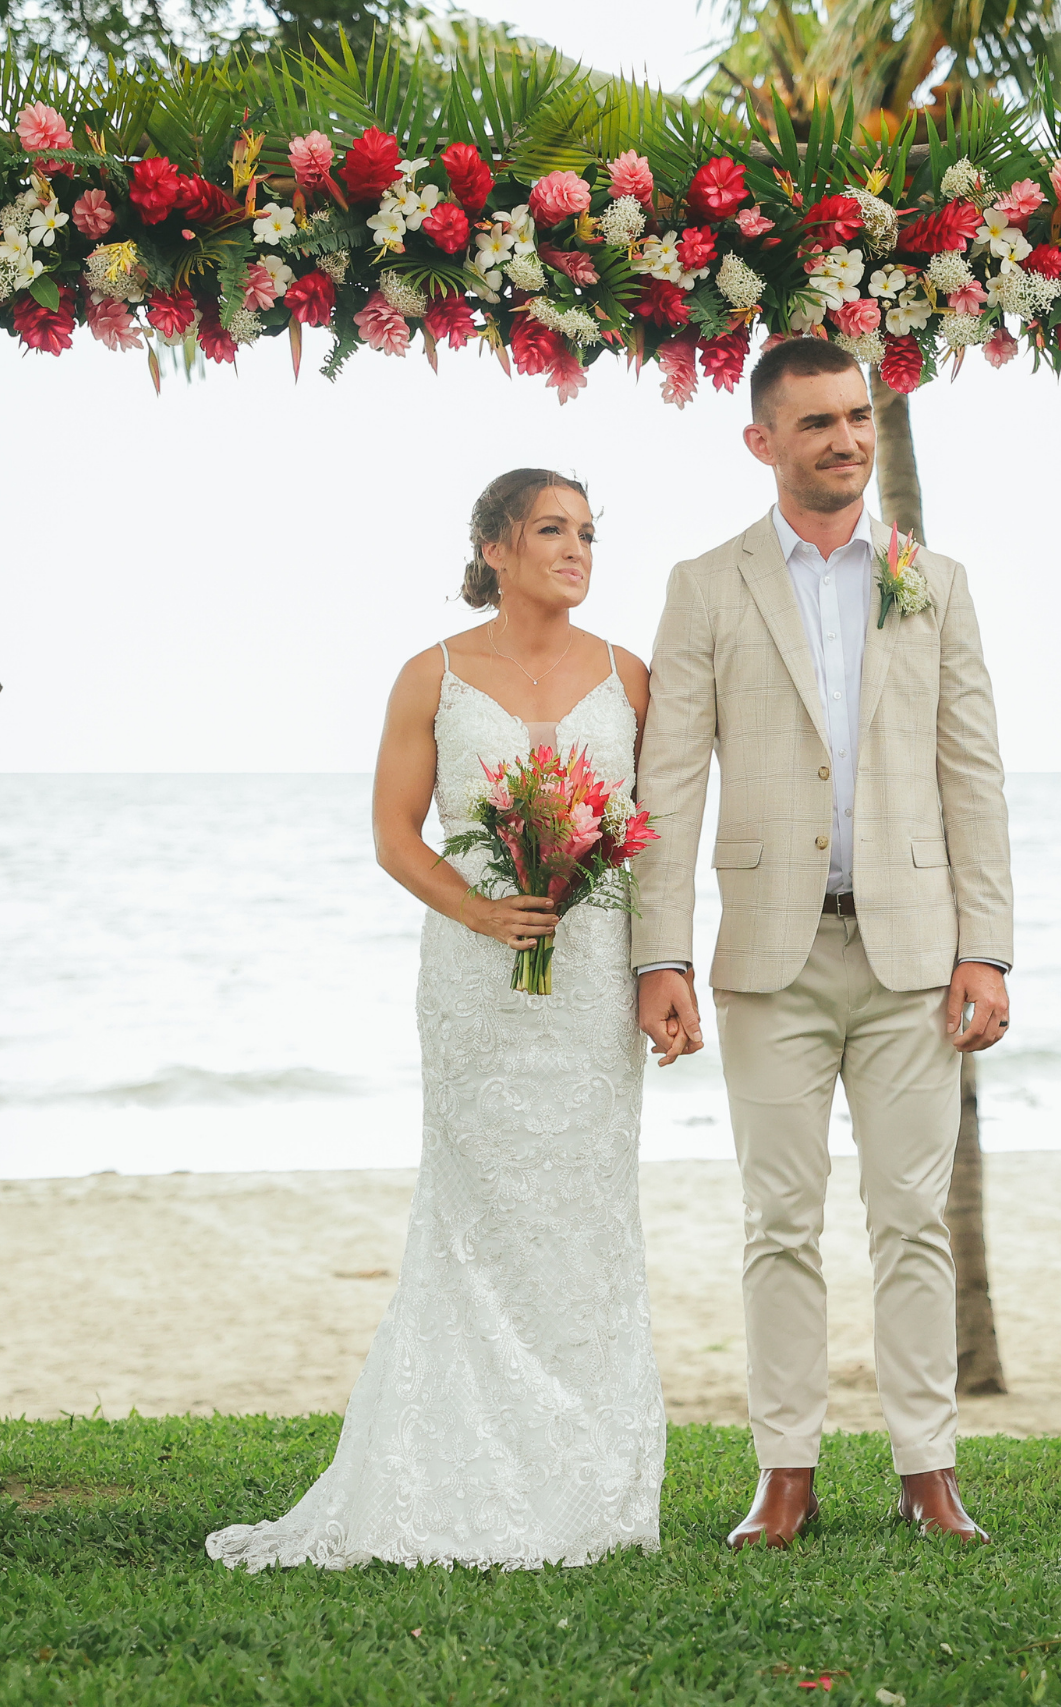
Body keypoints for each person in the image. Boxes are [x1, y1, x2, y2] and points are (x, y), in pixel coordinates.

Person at [205, 470, 666, 1571]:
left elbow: (653, 830)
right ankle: (453, 1468)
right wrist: (483, 910)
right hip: (474, 982)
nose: (576, 548)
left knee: (585, 1215)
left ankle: (587, 1482)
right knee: (478, 1209)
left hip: (590, 981)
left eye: (587, 533)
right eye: (551, 529)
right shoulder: (434, 675)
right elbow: (395, 834)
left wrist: (664, 970)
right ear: (494, 547)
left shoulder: (629, 676)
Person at [633, 336, 1014, 1549]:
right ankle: (783, 1472)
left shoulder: (933, 582)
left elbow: (971, 773)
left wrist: (988, 947)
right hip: (768, 959)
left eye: (857, 416)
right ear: (762, 441)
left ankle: (928, 1472)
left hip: (915, 955)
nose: (846, 439)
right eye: (817, 422)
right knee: (778, 1222)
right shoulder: (706, 585)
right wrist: (659, 956)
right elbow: (668, 783)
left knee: (911, 1221)